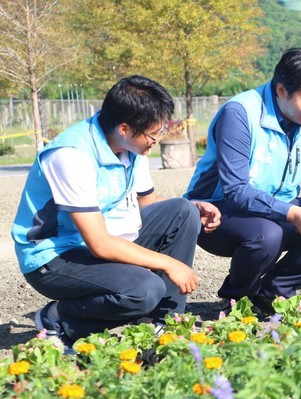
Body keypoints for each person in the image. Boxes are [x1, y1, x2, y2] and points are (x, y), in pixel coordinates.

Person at [12, 75, 220, 347]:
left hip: (102, 239)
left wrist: (195, 208)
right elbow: (98, 244)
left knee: (182, 211)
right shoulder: (71, 155)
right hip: (53, 257)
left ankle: (166, 325)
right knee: (144, 290)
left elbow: (149, 201)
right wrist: (169, 264)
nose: (157, 139)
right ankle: (57, 320)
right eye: (154, 133)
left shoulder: (130, 147)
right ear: (124, 128)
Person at [184, 48, 301, 313]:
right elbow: (236, 190)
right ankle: (236, 299)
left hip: (278, 207)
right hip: (217, 211)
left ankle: (272, 292)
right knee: (267, 234)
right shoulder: (240, 113)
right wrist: (293, 212)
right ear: (281, 90)